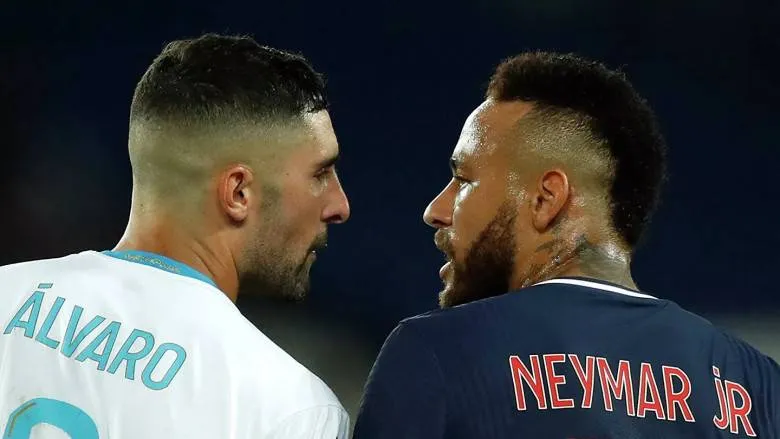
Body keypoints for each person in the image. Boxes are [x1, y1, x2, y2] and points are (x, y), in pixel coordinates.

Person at [353, 52, 780, 438]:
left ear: (546, 199)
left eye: (463, 180)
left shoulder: (436, 354)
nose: (436, 209)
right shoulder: (758, 386)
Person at [0, 33, 351, 438]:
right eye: (320, 174)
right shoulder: (291, 409)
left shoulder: (7, 294)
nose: (339, 205)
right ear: (238, 193)